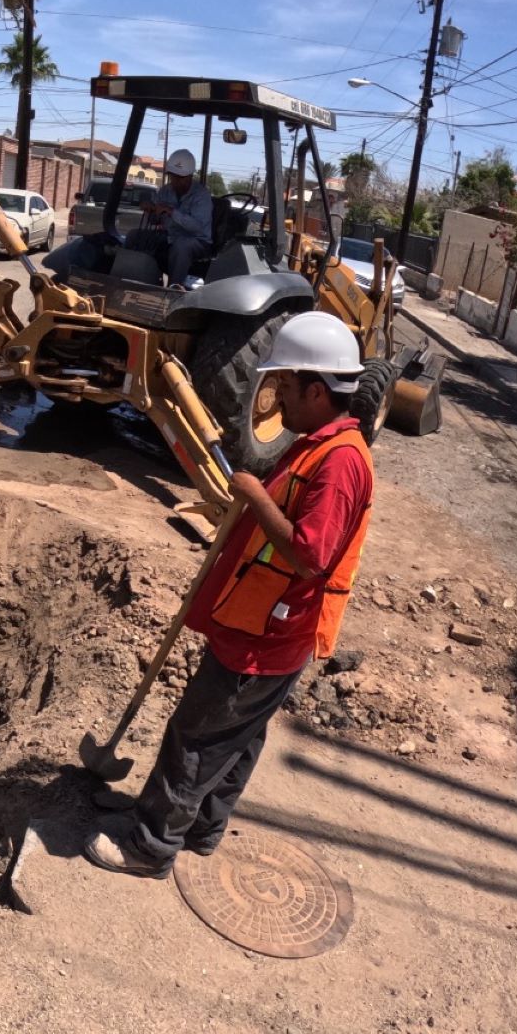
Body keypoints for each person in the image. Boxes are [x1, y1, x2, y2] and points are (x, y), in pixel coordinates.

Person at [84, 312, 376, 878]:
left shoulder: (340, 463)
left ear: (318, 390)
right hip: (262, 623)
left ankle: (150, 846)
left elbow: (310, 556)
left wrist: (251, 492)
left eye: (285, 387)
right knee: (236, 739)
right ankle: (199, 829)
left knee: (197, 737)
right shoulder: (322, 444)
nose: (276, 400)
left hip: (266, 636)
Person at [127, 148, 214, 285]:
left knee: (181, 246)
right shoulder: (166, 191)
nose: (176, 182)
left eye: (181, 178)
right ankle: (131, 280)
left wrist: (171, 212)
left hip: (198, 241)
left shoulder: (201, 195)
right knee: (134, 236)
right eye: (173, 177)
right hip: (169, 236)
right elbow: (155, 219)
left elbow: (198, 228)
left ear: (190, 176)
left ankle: (173, 289)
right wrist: (151, 210)